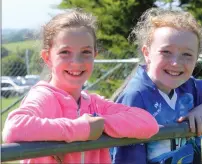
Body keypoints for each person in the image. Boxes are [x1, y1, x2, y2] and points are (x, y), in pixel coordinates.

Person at [2, 9, 159, 164]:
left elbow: (149, 123)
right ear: (47, 57)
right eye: (65, 52)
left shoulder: (94, 104)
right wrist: (81, 129)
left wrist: (100, 124)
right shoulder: (43, 97)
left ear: (94, 56)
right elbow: (14, 128)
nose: (76, 62)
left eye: (85, 52)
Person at [112, 8, 202, 164]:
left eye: (187, 54)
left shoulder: (190, 87)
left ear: (197, 58)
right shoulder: (135, 97)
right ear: (147, 53)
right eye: (166, 52)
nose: (176, 63)